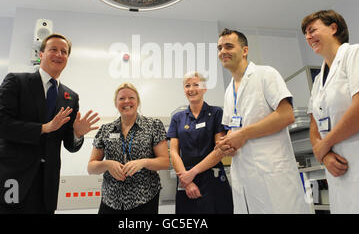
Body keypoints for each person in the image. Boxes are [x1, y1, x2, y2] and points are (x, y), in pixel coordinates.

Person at [0, 33, 100, 214]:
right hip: (8, 180)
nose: (59, 54)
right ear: (41, 54)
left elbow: (70, 145)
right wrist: (43, 128)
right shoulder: (16, 81)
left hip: (43, 189)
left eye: (64, 52)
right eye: (53, 49)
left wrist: (77, 134)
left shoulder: (70, 97)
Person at [215, 29, 309, 214]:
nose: (222, 51)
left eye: (228, 46)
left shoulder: (265, 74)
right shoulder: (228, 91)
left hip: (272, 173)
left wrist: (244, 134)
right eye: (219, 48)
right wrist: (227, 142)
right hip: (244, 175)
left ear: (244, 50)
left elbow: (286, 115)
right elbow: (232, 130)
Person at [301, 10, 359, 213]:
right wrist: (324, 156)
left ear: (333, 28)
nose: (308, 37)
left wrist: (323, 146)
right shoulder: (318, 80)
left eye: (312, 30)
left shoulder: (354, 54)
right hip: (335, 166)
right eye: (305, 34)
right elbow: (314, 123)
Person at [88, 82, 169, 214]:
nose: (127, 101)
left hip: (144, 199)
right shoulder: (105, 130)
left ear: (138, 101)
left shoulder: (154, 126)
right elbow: (91, 168)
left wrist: (143, 162)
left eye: (131, 97)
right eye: (121, 98)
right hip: (111, 200)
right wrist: (107, 164)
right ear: (116, 103)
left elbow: (165, 162)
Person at [167, 72, 233, 214]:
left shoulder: (216, 113)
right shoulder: (177, 118)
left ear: (204, 88)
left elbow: (219, 149)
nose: (191, 89)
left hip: (212, 178)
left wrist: (193, 172)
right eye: (187, 85)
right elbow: (173, 152)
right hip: (185, 179)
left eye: (196, 84)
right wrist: (187, 181)